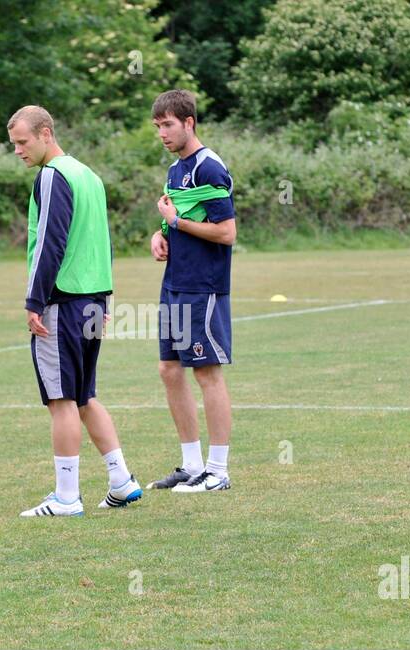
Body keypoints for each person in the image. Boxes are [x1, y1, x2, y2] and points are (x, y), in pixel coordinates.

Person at [6, 105, 143, 516]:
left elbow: (51, 241)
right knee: (85, 396)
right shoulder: (90, 176)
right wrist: (104, 299)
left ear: (46, 134)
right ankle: (121, 481)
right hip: (90, 302)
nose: (18, 151)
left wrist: (34, 301)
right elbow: (103, 241)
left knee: (61, 399)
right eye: (13, 144)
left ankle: (66, 497)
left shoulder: (51, 176)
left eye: (23, 142)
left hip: (62, 303)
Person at [146, 90, 237, 494]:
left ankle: (218, 471)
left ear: (189, 123)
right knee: (169, 370)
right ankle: (191, 464)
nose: (162, 133)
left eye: (168, 124)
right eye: (158, 126)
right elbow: (177, 217)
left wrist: (177, 224)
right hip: (175, 283)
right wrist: (160, 234)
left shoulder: (209, 168)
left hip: (203, 287)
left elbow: (226, 232)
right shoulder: (174, 170)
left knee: (206, 373)